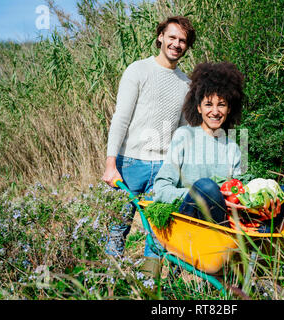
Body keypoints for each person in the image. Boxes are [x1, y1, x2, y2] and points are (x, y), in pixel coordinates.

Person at [148, 62, 284, 277]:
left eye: (221, 105)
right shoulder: (184, 137)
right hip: (193, 221)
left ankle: (259, 241)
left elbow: (240, 191)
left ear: (229, 108)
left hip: (229, 219)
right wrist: (202, 194)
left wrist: (259, 200)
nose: (215, 111)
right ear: (199, 107)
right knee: (206, 187)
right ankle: (239, 247)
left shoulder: (233, 147)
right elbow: (161, 188)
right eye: (208, 104)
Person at [102, 16, 196, 258]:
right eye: (172, 37)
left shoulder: (187, 85)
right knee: (117, 229)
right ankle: (111, 288)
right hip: (130, 164)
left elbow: (184, 133)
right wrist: (110, 164)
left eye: (182, 40)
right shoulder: (138, 70)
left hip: (165, 169)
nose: (176, 44)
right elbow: (120, 118)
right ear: (160, 37)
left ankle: (148, 288)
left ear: (187, 46)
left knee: (158, 236)